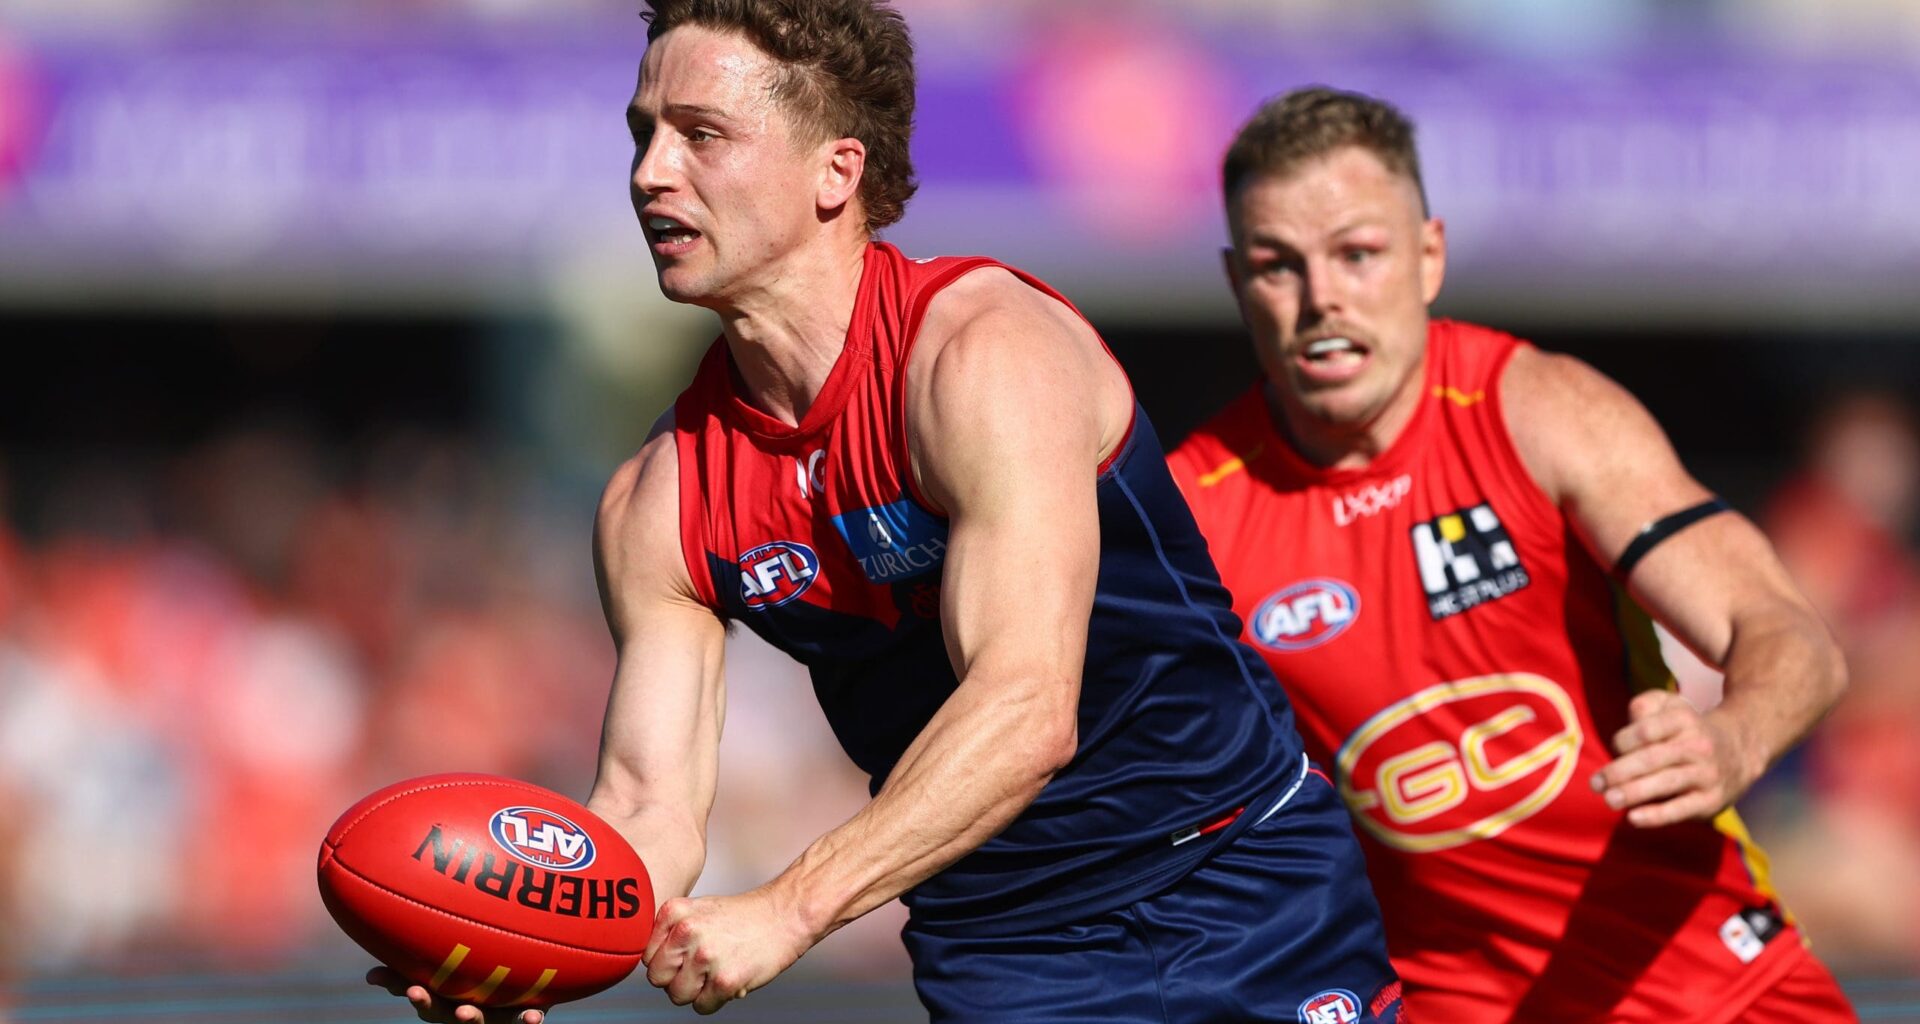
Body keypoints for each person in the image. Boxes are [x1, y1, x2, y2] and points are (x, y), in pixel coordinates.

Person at [374, 5, 1401, 1022]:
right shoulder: (659, 497)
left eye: (702, 133)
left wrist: (788, 907)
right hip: (1004, 948)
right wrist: (528, 945)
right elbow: (647, 805)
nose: (649, 172)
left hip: (1238, 886)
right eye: (643, 132)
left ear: (837, 172)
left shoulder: (981, 357)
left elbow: (1026, 708)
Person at [1165, 86, 1856, 1023]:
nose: (1321, 297)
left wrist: (1733, 740)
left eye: (1358, 254)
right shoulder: (1191, 513)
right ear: (1235, 279)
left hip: (1711, 986)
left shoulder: (1539, 412)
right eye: (1278, 265)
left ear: (1428, 257)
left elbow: (1785, 633)